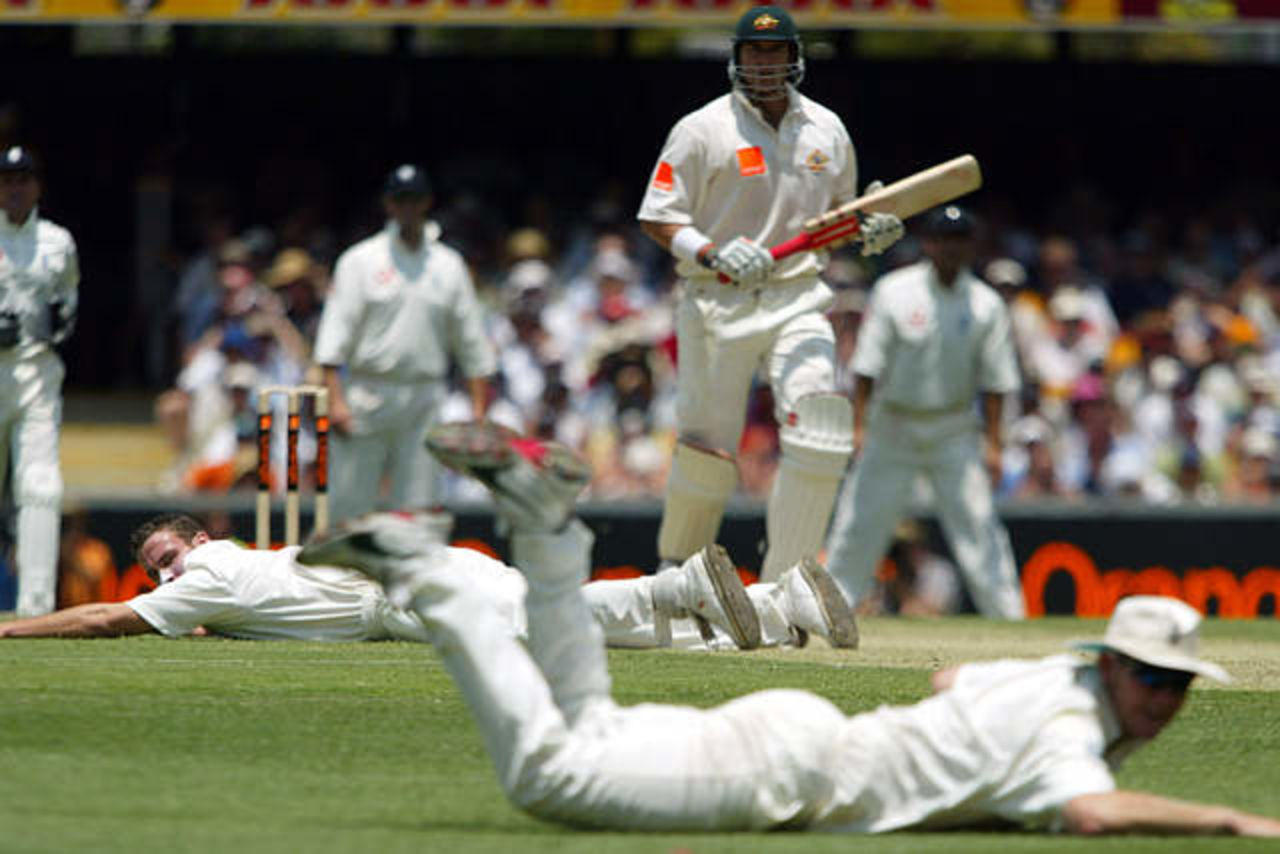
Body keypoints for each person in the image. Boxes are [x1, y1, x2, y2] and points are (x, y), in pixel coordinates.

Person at [297, 425, 1280, 836]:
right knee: (547, 774)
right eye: (1151, 678)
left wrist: (970, 789)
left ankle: (547, 523)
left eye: (1174, 684)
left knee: (580, 710)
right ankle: (436, 574)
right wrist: (1233, 819)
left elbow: (945, 684)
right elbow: (1091, 812)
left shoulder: (1045, 681)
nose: (1162, 699)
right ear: (1111, 663)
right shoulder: (1071, 736)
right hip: (789, 773)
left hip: (796, 736)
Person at [636, 5, 904, 582]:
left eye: (774, 51)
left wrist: (869, 228)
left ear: (793, 57)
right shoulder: (702, 128)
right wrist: (710, 251)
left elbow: (838, 218)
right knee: (707, 452)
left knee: (819, 426)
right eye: (754, 52)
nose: (764, 62)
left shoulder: (827, 129)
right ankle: (676, 572)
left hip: (797, 296)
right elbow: (658, 216)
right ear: (736, 59)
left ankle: (788, 582)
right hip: (717, 300)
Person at [0, 495, 855, 651]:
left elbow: (98, 621)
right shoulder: (218, 579)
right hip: (406, 582)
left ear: (196, 541)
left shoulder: (210, 578)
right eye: (153, 572)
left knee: (554, 622)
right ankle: (779, 608)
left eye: (165, 560)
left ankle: (683, 587)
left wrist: (12, 626)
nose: (162, 580)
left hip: (400, 594)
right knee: (571, 643)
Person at [824, 205, 1026, 619]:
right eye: (944, 239)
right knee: (858, 526)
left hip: (953, 428)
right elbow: (866, 367)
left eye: (960, 240)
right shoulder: (894, 292)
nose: (952, 248)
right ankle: (830, 614)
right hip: (893, 424)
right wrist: (859, 427)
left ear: (972, 246)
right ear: (929, 244)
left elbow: (996, 383)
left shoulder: (986, 305)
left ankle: (1009, 620)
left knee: (980, 528)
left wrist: (994, 444)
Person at [313, 163, 496, 525]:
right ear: (388, 204)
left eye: (415, 199)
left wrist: (478, 413)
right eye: (401, 199)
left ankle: (412, 582)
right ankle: (339, 579)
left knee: (419, 507)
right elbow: (334, 337)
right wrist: (335, 400)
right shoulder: (360, 261)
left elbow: (472, 343)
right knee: (349, 505)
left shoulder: (448, 265)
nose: (408, 207)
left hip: (425, 395)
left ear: (427, 202)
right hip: (367, 393)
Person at [0, 145, 79, 617]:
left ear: (38, 186)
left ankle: (36, 607)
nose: (15, 187)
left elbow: (68, 297)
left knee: (41, 484)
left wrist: (61, 321)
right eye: (8, 179)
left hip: (38, 371)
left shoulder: (57, 241)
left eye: (24, 179)